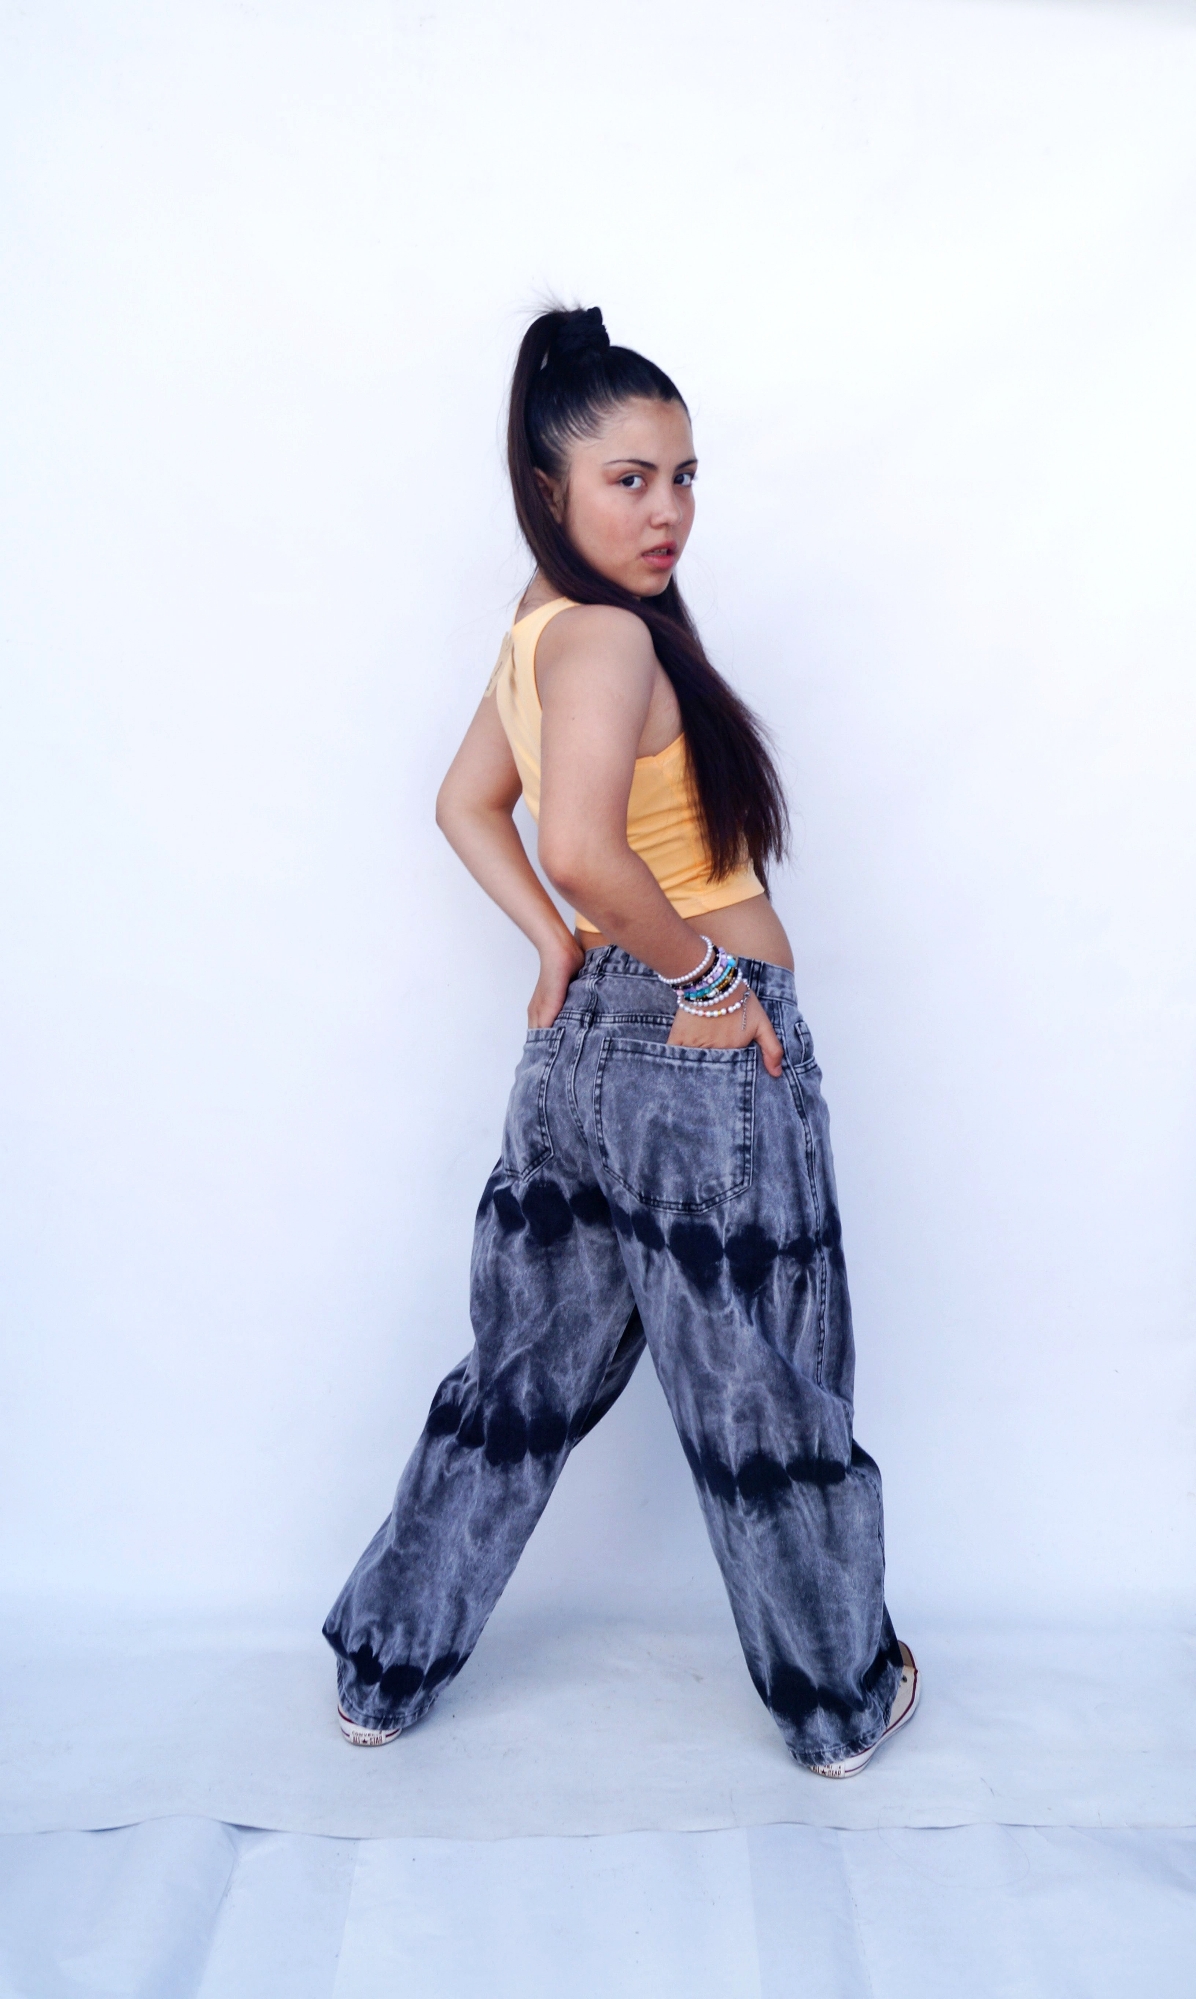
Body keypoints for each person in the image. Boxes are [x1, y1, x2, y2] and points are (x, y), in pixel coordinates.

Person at [323, 305, 919, 1778]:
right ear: (552, 489)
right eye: (630, 480)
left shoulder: (540, 635)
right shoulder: (604, 639)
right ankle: (838, 1704)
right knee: (764, 1387)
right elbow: (583, 846)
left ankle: (383, 1671)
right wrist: (707, 976)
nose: (668, 512)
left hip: (584, 1058)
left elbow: (469, 804)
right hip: (701, 1050)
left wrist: (554, 948)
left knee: (518, 1381)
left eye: (685, 476)